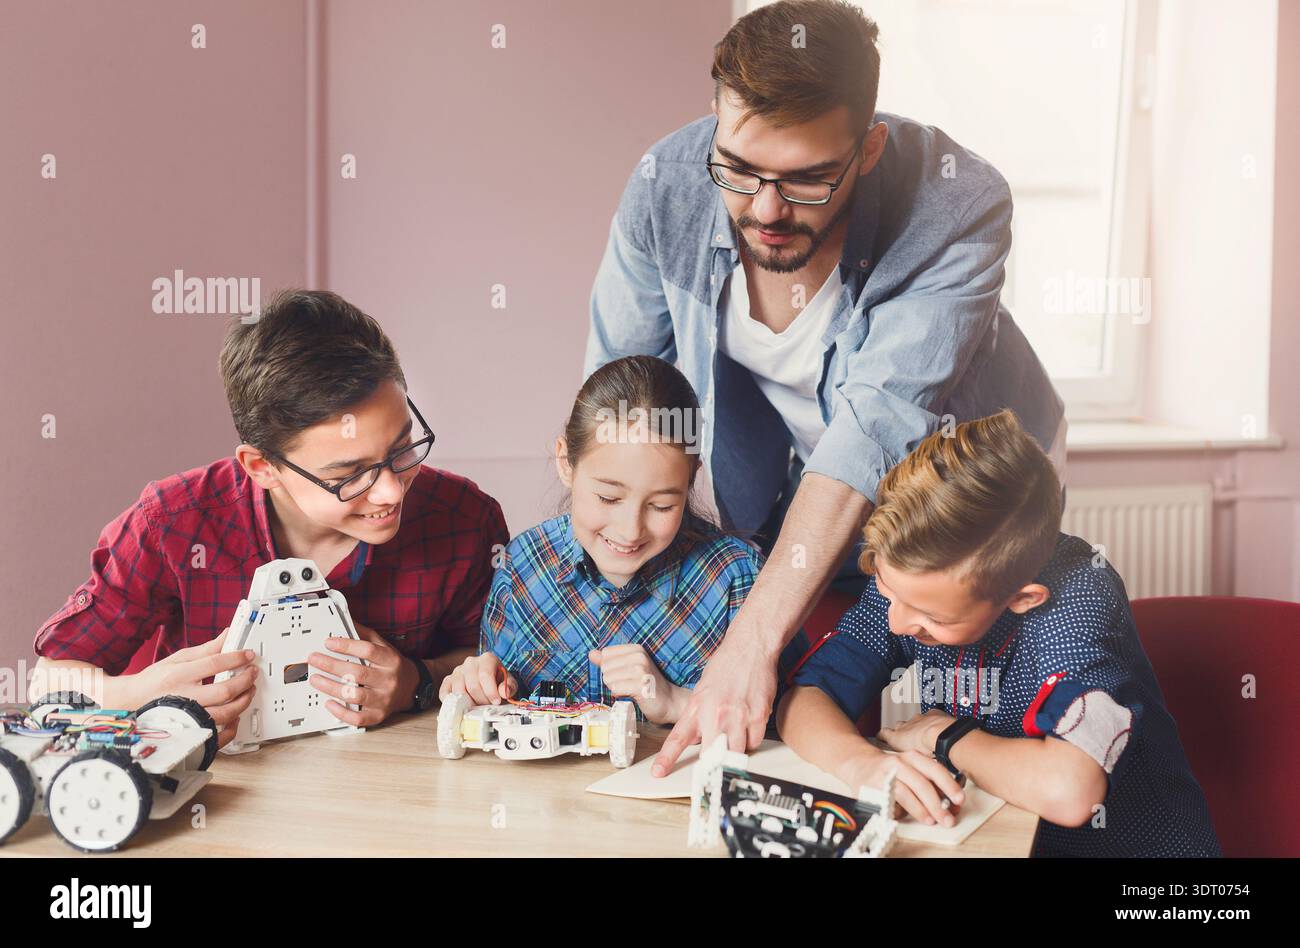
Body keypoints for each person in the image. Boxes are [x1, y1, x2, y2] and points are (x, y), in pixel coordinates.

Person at [586, 0, 1065, 773]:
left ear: (868, 147)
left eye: (808, 179)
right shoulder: (665, 185)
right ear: (715, 120)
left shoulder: (957, 203)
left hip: (961, 488)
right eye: (739, 172)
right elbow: (619, 398)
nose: (767, 210)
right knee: (812, 690)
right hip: (787, 488)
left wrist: (748, 647)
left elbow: (873, 429)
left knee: (979, 707)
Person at [32, 290, 508, 745]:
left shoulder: (463, 519)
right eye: (349, 474)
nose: (389, 490)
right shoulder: (172, 525)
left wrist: (416, 682)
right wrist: (136, 696)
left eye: (403, 449)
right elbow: (48, 681)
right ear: (262, 468)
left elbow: (493, 660)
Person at [778, 411, 1220, 856]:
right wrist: (863, 764)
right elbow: (802, 700)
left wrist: (946, 736)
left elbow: (1071, 792)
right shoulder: (911, 578)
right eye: (886, 591)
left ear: (1022, 598)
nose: (897, 623)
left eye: (933, 617)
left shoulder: (1079, 596)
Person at [440, 355, 808, 724]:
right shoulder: (521, 565)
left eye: (662, 505)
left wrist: (676, 702)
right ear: (566, 462)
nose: (631, 530)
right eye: (609, 498)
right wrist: (479, 687)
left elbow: (788, 725)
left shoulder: (738, 578)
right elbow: (496, 713)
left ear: (690, 480)